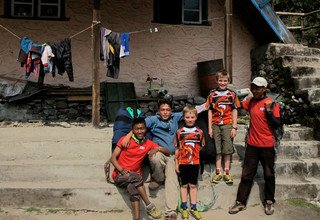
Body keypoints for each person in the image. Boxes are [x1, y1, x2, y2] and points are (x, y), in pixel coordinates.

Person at [121, 99, 183, 219]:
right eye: (162, 110)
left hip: (173, 155)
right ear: (158, 111)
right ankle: (158, 178)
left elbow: (195, 110)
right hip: (159, 152)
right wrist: (128, 136)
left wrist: (211, 101)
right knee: (154, 156)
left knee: (172, 177)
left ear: (171, 111)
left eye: (168, 110)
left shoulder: (175, 117)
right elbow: (139, 125)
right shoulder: (153, 119)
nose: (165, 112)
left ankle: (171, 211)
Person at [228, 76, 281, 215]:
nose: (255, 90)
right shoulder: (250, 101)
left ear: (264, 89)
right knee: (246, 175)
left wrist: (269, 112)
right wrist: (230, 92)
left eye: (258, 88)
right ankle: (240, 202)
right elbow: (238, 105)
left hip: (267, 144)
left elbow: (277, 124)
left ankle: (269, 201)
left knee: (269, 174)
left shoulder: (271, 103)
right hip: (252, 144)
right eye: (253, 87)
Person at [111, 117, 170, 220]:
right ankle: (149, 206)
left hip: (133, 178)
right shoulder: (125, 140)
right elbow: (113, 158)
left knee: (133, 191)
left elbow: (167, 152)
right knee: (137, 178)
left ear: (145, 129)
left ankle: (137, 218)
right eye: (137, 129)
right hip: (120, 176)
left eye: (142, 128)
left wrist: (157, 148)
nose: (139, 131)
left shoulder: (148, 143)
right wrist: (120, 169)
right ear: (132, 130)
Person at [206, 70, 240, 185]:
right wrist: (210, 127)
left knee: (227, 149)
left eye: (225, 81)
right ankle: (218, 172)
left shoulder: (232, 94)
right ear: (216, 81)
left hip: (227, 124)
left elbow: (235, 110)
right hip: (215, 124)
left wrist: (234, 127)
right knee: (217, 149)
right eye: (220, 80)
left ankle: (226, 172)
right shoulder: (212, 94)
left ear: (228, 81)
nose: (222, 83)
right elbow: (210, 111)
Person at [175, 106, 205, 220]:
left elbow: (201, 147)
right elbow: (177, 149)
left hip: (195, 163)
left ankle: (193, 208)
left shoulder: (200, 132)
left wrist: (194, 156)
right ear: (183, 118)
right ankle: (184, 208)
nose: (190, 119)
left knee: (193, 185)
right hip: (183, 162)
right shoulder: (179, 132)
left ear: (196, 118)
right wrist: (176, 163)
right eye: (187, 117)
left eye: (192, 117)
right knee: (184, 185)